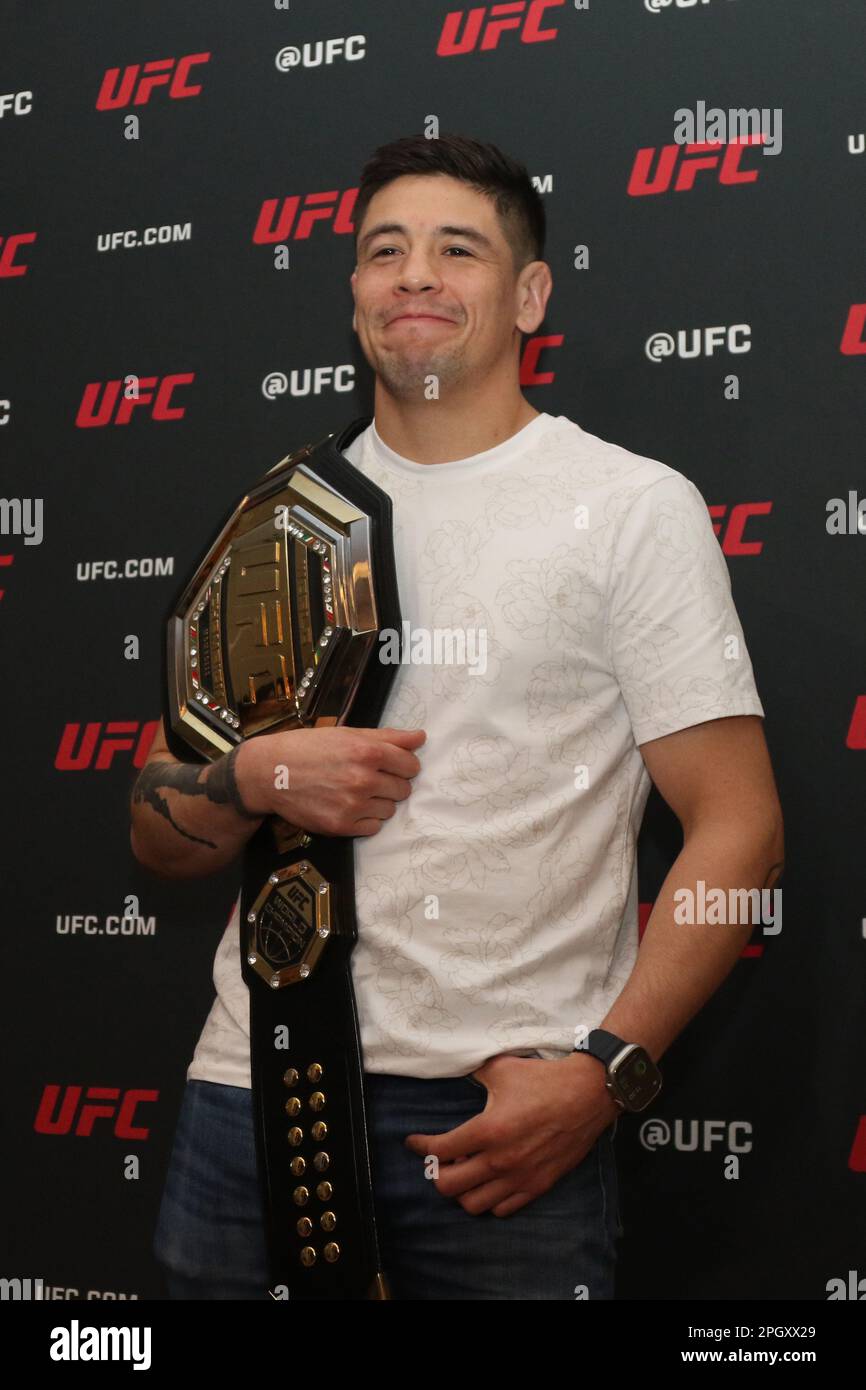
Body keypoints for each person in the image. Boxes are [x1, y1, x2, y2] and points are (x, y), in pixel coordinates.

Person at [131, 132, 784, 1301]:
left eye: (456, 249)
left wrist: (605, 1073)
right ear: (353, 293)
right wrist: (255, 779)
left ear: (527, 293)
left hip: (497, 1121)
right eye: (385, 250)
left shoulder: (626, 508)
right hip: (251, 1089)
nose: (416, 276)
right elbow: (154, 825)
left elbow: (737, 829)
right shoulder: (279, 515)